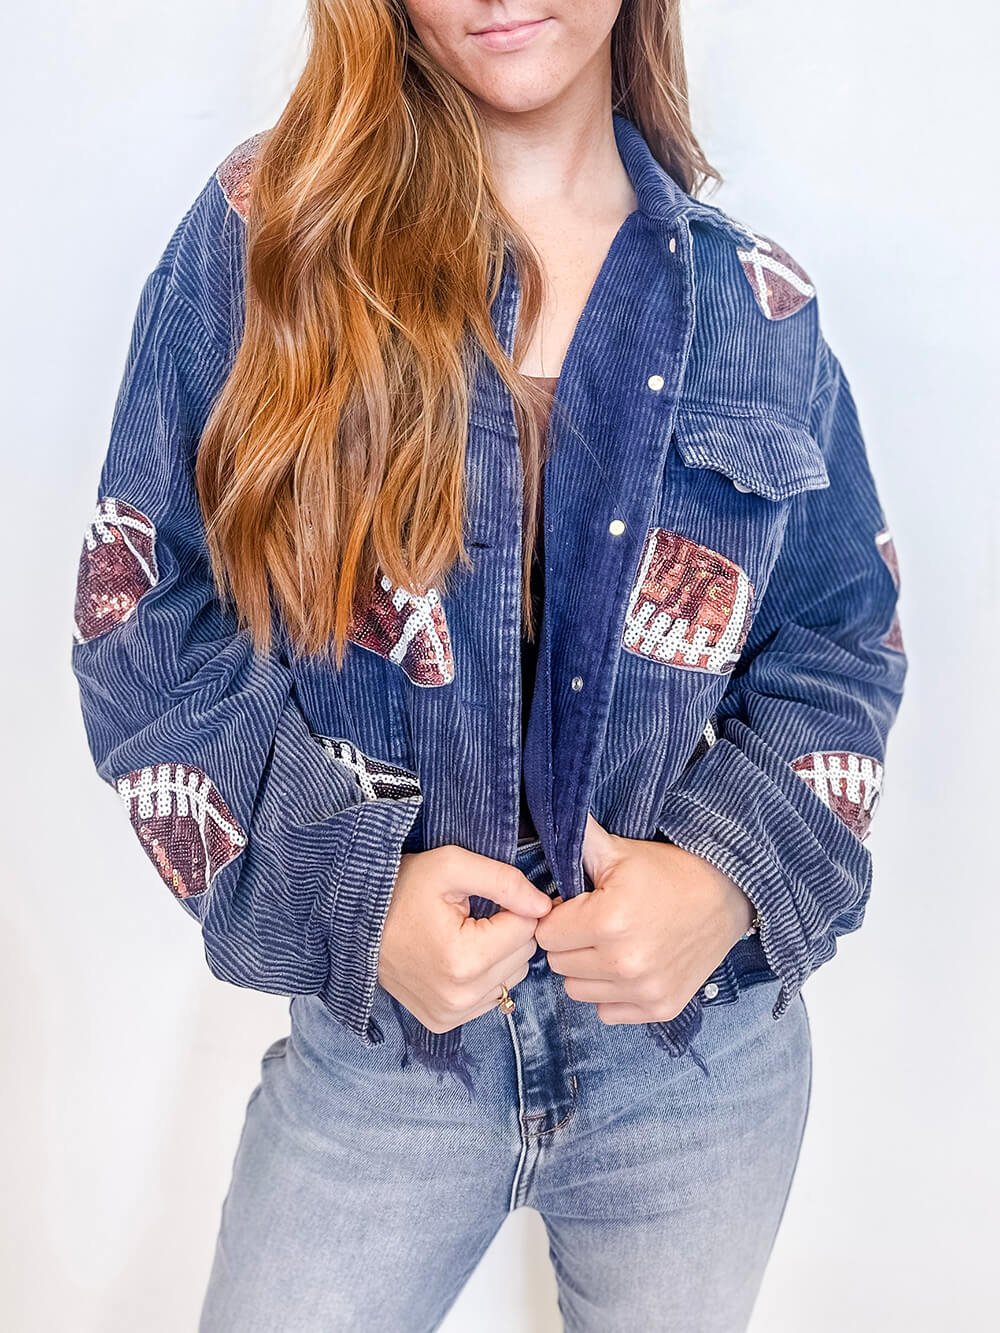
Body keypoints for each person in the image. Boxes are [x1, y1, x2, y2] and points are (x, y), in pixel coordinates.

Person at [70, 2, 908, 1329]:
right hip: (385, 1058)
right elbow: (138, 611)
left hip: (698, 1065)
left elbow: (842, 639)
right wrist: (352, 897)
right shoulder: (269, 238)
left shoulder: (757, 309)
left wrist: (725, 879)